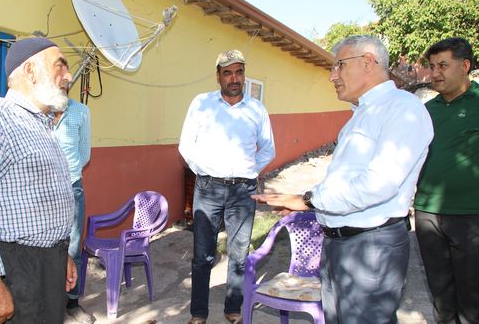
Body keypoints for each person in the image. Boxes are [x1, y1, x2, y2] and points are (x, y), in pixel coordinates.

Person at [253, 35, 434, 324]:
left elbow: (377, 185)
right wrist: (311, 205)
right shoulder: (360, 115)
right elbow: (343, 180)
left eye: (339, 66)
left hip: (369, 248)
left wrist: (308, 200)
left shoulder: (402, 109)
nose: (331, 76)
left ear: (368, 62)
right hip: (340, 245)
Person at [0, 37, 78, 324]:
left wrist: (61, 254)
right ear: (31, 71)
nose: (68, 75)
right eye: (60, 65)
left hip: (47, 263)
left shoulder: (43, 127)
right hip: (11, 268)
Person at [178, 49, 276, 324]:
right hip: (208, 189)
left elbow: (268, 149)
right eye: (228, 72)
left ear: (244, 75)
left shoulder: (256, 109)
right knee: (202, 255)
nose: (234, 78)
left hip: (243, 193)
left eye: (239, 72)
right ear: (218, 76)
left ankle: (233, 308)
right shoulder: (201, 104)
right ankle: (198, 312)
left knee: (239, 253)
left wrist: (249, 172)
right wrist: (205, 174)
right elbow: (186, 147)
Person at [414, 37, 479, 324]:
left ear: (465, 66)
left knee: (476, 299)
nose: (434, 73)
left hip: (478, 216)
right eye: (431, 66)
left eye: (443, 65)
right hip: (429, 214)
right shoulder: (428, 111)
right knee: (442, 296)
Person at [51, 87, 91, 323]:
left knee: (73, 246)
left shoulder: (81, 111)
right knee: (44, 247)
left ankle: (72, 302)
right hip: (42, 190)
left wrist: (69, 171)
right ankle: (50, 301)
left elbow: (84, 153)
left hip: (72, 187)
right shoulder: (37, 112)